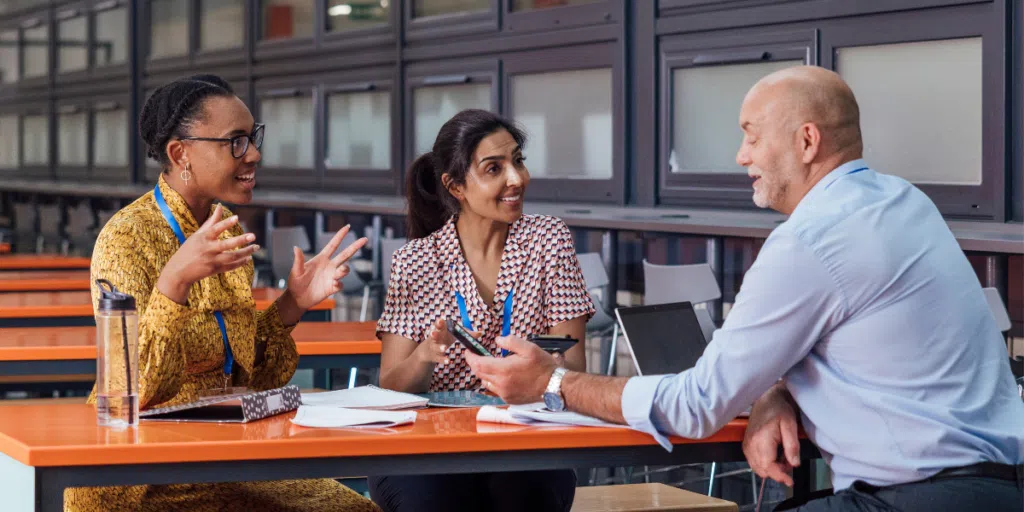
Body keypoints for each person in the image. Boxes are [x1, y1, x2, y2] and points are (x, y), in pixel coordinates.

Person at [465, 66, 1024, 511]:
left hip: (916, 498)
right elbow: (860, 344)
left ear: (807, 141)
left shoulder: (810, 240)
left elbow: (695, 406)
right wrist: (775, 389)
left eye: (751, 136)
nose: (741, 156)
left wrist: (552, 381)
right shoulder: (904, 202)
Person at [65, 74, 378, 512]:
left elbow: (250, 380)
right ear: (181, 153)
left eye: (252, 138)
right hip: (145, 473)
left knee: (356, 509)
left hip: (226, 453)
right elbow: (128, 391)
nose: (253, 154)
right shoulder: (126, 240)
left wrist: (293, 303)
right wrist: (174, 282)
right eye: (235, 141)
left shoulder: (224, 226)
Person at [371, 109, 595, 512]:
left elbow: (574, 369)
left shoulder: (549, 241)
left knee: (526, 496)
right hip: (427, 450)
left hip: (525, 441)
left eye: (518, 161)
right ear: (455, 186)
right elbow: (390, 387)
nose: (517, 179)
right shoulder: (416, 261)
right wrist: (423, 356)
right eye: (494, 168)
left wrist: (542, 373)